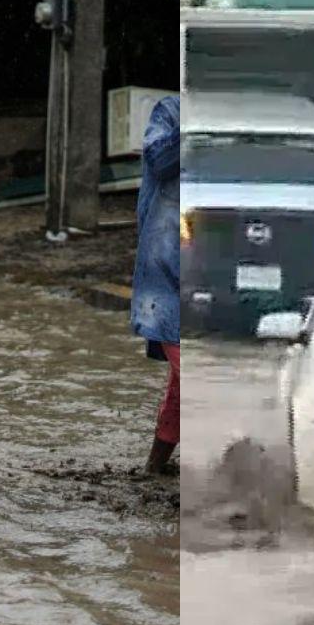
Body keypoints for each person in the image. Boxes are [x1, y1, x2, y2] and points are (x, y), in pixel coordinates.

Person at [133, 94, 180, 476]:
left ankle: (155, 467)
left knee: (184, 380)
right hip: (167, 270)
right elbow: (160, 161)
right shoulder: (170, 113)